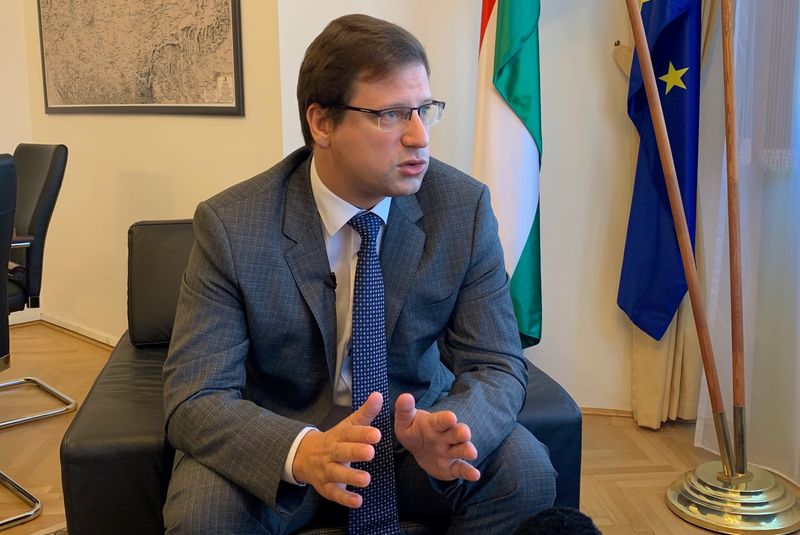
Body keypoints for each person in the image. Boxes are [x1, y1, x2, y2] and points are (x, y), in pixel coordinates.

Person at [162, 13, 556, 535]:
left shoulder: (462, 209)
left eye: (424, 110)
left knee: (525, 473)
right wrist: (301, 451)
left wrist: (453, 431)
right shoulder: (233, 225)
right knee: (203, 517)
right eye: (392, 115)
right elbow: (197, 395)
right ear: (322, 123)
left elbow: (498, 364)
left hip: (408, 443)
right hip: (284, 441)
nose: (419, 137)